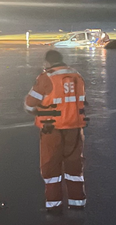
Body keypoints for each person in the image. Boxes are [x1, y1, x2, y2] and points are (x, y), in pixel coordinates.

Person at [24, 50, 88, 213]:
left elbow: (29, 104)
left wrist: (39, 111)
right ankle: (77, 202)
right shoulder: (77, 76)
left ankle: (54, 206)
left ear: (47, 63)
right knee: (74, 167)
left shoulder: (46, 77)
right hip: (74, 129)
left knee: (51, 167)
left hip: (51, 130)